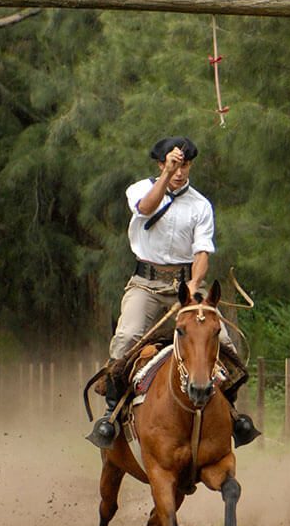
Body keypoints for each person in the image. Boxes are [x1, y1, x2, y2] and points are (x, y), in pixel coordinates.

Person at [85, 136, 258, 449]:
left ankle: (231, 414)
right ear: (161, 163)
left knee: (226, 344)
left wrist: (195, 283)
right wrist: (166, 178)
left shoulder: (201, 205)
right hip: (146, 284)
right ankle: (111, 417)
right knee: (127, 338)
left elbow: (203, 250)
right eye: (173, 164)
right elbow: (146, 208)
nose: (179, 171)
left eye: (185, 164)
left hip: (186, 284)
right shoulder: (139, 189)